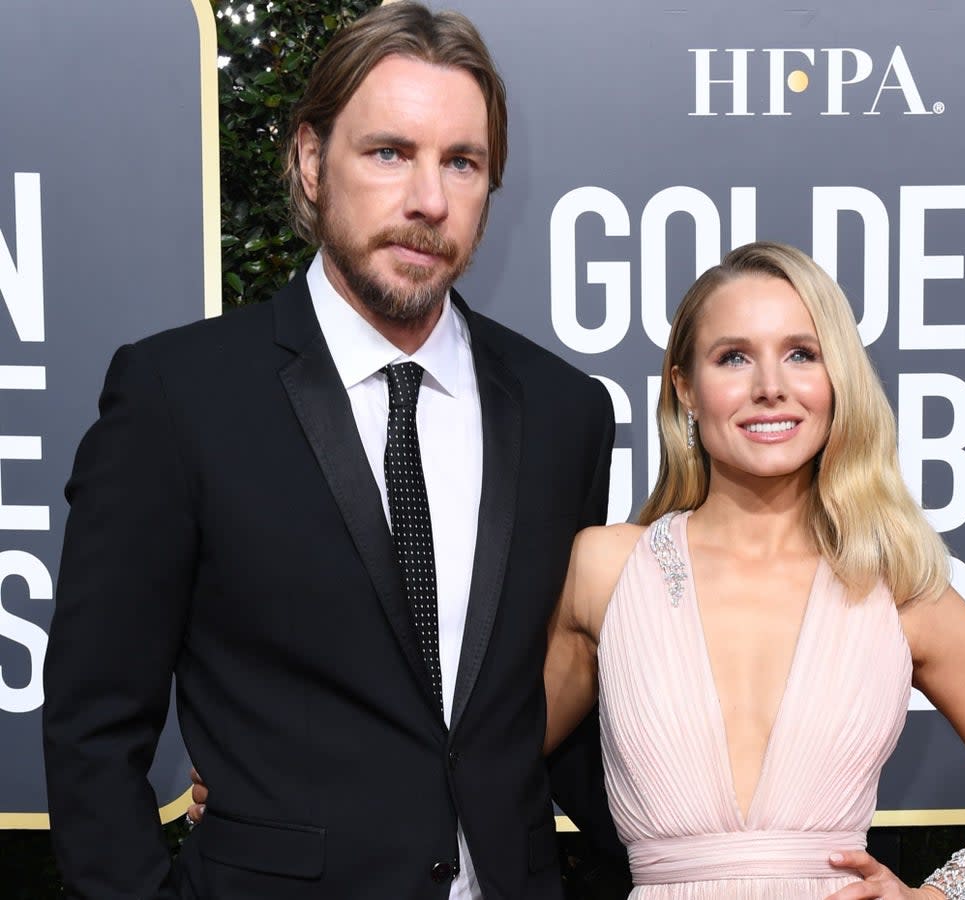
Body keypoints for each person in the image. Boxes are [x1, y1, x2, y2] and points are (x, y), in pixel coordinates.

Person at [41, 4, 616, 898]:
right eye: (389, 152)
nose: (428, 200)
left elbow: (558, 713)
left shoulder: (563, 412)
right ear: (311, 160)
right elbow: (93, 727)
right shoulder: (178, 397)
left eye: (460, 162)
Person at [538, 241, 965, 898]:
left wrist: (939, 896)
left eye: (802, 354)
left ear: (838, 379)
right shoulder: (606, 570)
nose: (771, 387)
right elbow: (489, 763)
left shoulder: (895, 585)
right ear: (685, 387)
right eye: (733, 357)